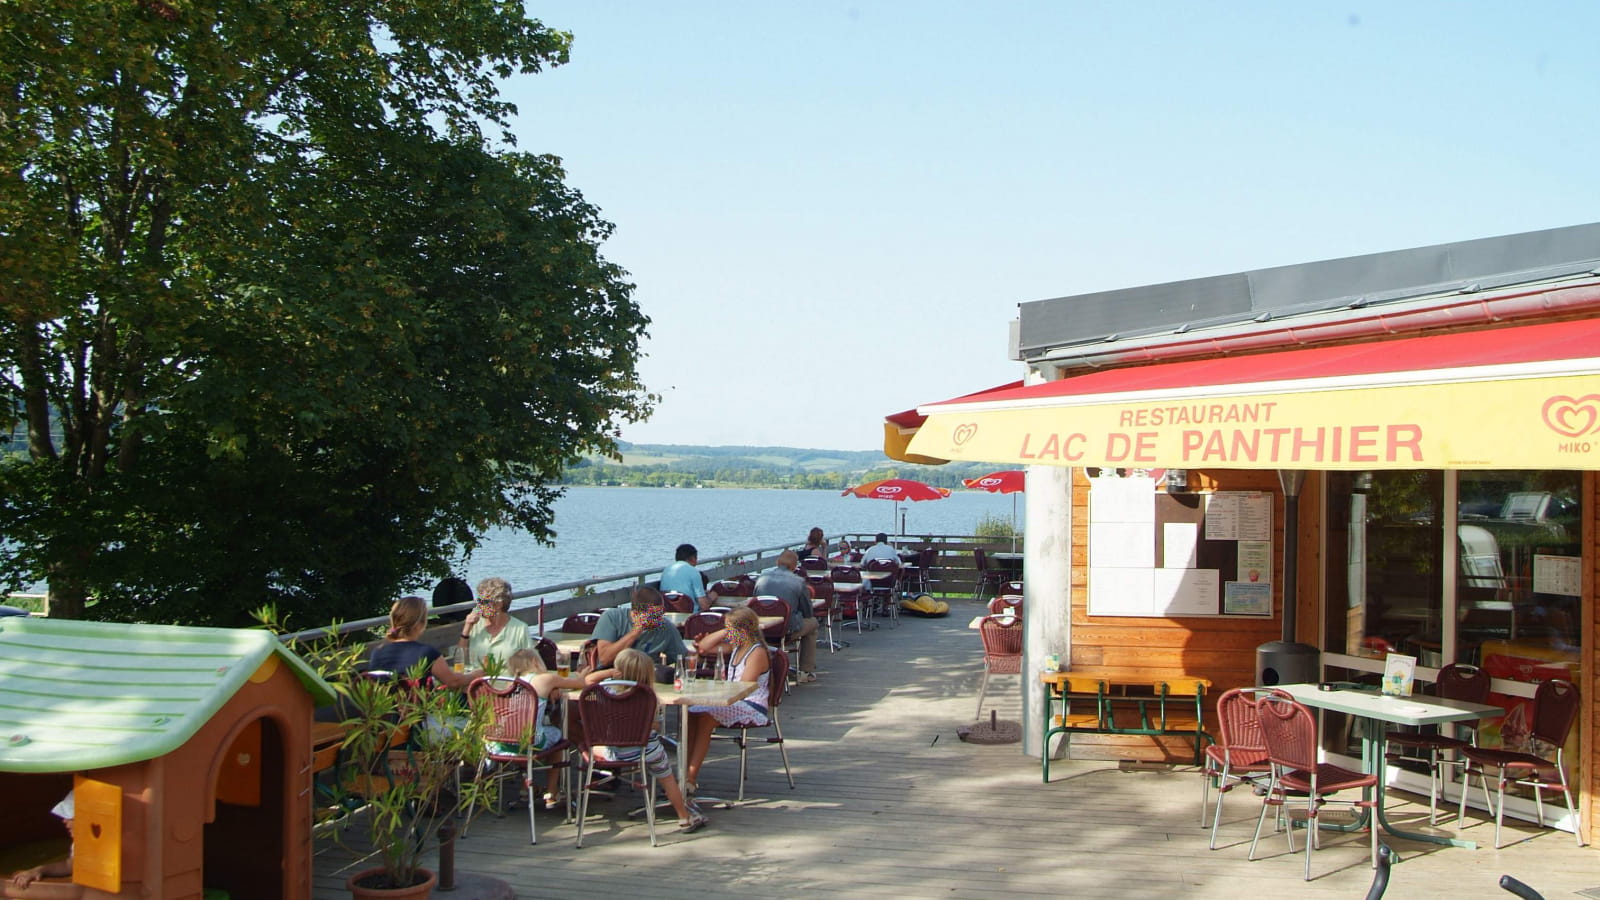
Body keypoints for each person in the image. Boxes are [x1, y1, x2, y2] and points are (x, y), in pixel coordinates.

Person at [583, 648, 707, 833]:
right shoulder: (649, 697)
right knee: (667, 778)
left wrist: (610, 673)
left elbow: (588, 680)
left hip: (613, 750)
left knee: (585, 745)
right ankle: (683, 817)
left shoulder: (605, 689)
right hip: (645, 751)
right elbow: (655, 727)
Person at [682, 608, 772, 794]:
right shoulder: (736, 647)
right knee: (691, 713)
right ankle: (683, 771)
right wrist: (724, 631)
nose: (728, 635)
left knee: (706, 716)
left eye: (731, 630)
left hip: (751, 704)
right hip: (732, 701)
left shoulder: (756, 652)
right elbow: (703, 648)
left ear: (743, 631)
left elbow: (743, 688)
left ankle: (690, 777)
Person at [494, 648, 588, 810]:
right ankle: (552, 791)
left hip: (502, 742)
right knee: (558, 735)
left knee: (526, 736)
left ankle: (526, 787)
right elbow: (580, 684)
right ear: (535, 662)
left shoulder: (509, 682)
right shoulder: (545, 679)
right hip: (532, 740)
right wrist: (582, 674)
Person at [369, 595, 474, 690]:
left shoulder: (378, 651)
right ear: (421, 624)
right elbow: (453, 682)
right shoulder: (426, 653)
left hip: (387, 709)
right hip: (418, 707)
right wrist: (479, 675)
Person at [755, 549, 818, 683]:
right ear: (795, 566)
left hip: (761, 631)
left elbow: (755, 602)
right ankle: (806, 671)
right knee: (813, 623)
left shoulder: (761, 579)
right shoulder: (798, 582)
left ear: (777, 562)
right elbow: (808, 613)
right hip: (786, 630)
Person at [592, 586, 684, 666]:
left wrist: (698, 652)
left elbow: (684, 657)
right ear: (636, 613)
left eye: (662, 612)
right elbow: (605, 659)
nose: (659, 618)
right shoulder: (612, 617)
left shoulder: (665, 627)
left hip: (645, 676)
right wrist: (636, 631)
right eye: (654, 615)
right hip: (611, 674)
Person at [457, 577, 532, 670]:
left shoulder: (520, 629)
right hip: (477, 679)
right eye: (478, 601)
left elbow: (530, 664)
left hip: (507, 680)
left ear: (498, 604)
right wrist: (467, 628)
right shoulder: (475, 625)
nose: (479, 606)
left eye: (483, 602)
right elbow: (460, 659)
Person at [8, 791, 73, 890]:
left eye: (70, 816)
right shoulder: (79, 844)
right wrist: (40, 870)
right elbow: (69, 865)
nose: (64, 820)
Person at [659, 543, 713, 612]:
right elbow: (704, 606)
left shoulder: (666, 570)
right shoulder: (693, 572)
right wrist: (712, 597)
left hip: (668, 613)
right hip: (689, 615)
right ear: (693, 558)